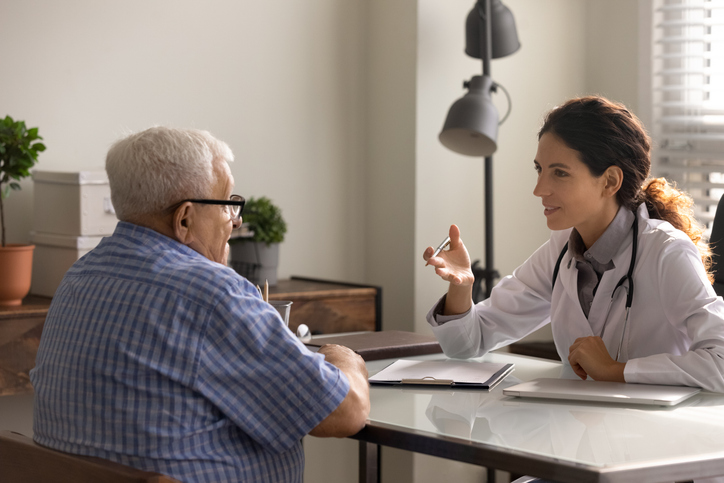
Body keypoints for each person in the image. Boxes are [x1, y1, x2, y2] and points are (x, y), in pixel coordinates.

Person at [30, 127, 370, 483]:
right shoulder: (212, 293)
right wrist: (345, 358)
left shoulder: (78, 278)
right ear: (185, 219)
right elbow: (346, 413)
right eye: (228, 205)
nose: (235, 221)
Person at [423, 96, 724, 393]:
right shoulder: (561, 250)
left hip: (652, 432)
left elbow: (721, 362)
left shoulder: (666, 252)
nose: (539, 189)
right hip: (576, 428)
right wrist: (462, 287)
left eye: (560, 173)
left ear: (609, 182)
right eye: (539, 169)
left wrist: (616, 371)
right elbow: (466, 345)